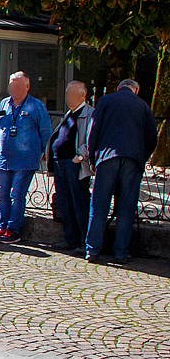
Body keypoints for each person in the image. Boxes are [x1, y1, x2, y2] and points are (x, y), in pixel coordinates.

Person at [85, 78, 158, 262]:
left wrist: (92, 157)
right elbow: (152, 137)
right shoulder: (143, 106)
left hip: (107, 157)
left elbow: (93, 130)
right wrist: (142, 157)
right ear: (137, 90)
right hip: (133, 160)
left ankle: (92, 250)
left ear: (118, 88)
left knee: (99, 206)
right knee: (126, 208)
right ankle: (121, 252)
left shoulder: (105, 101)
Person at [0, 70, 53, 242]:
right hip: (4, 158)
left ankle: (13, 229)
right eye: (12, 84)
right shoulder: (4, 104)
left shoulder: (36, 106)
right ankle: (1, 227)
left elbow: (46, 132)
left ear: (27, 86)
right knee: (2, 194)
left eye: (18, 84)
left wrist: (43, 153)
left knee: (16, 195)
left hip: (26, 160)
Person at [49, 80, 93, 254]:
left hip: (75, 164)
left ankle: (84, 240)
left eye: (72, 93)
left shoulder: (89, 114)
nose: (68, 97)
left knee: (79, 201)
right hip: (61, 163)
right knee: (64, 202)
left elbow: (91, 139)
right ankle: (70, 238)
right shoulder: (69, 113)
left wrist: (80, 156)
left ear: (83, 94)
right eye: (67, 93)